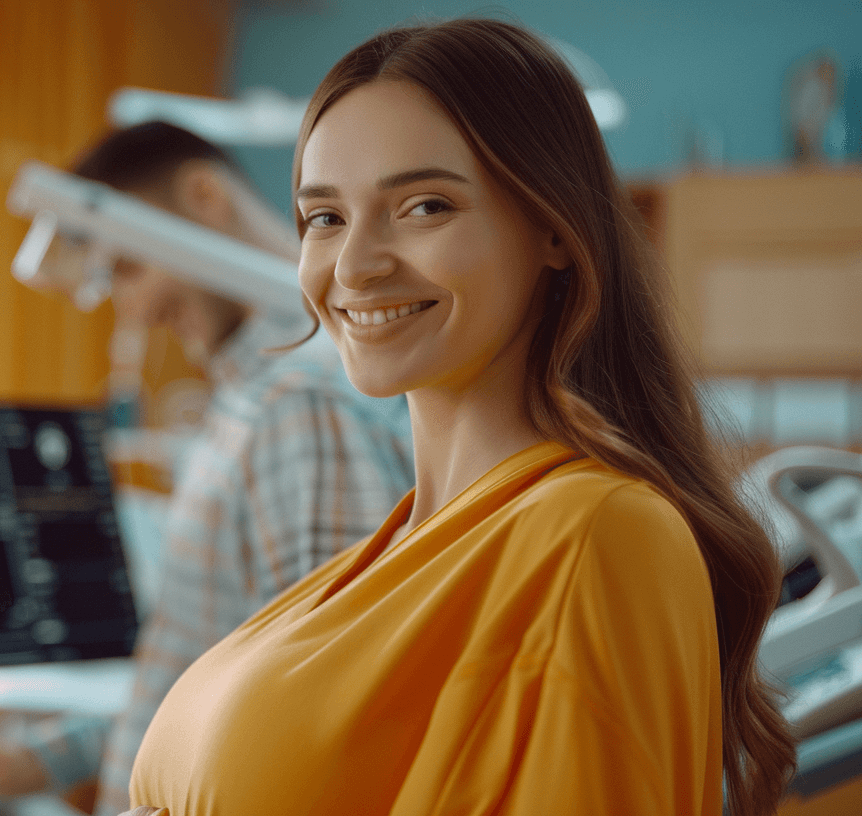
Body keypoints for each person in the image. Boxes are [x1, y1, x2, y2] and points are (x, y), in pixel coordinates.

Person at [127, 20, 796, 816]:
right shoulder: (396, 548)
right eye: (325, 217)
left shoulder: (596, 537)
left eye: (423, 206)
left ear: (555, 226)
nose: (355, 265)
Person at [0, 123, 413, 815]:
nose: (134, 310)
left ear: (203, 195)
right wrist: (44, 759)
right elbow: (207, 680)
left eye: (128, 267)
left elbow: (326, 718)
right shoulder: (252, 402)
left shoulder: (299, 405)